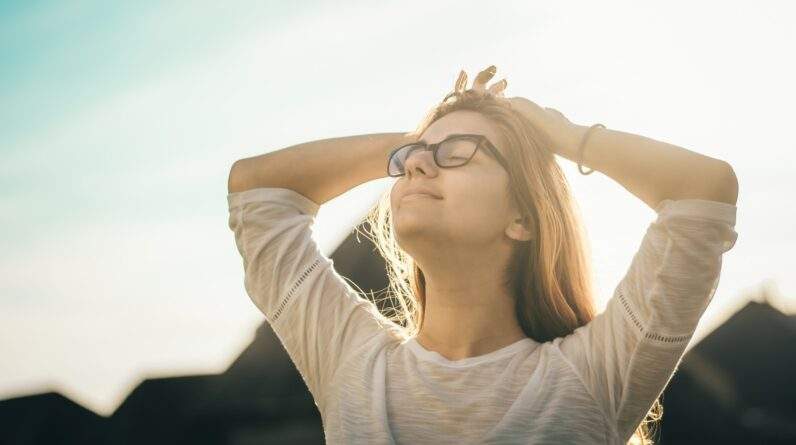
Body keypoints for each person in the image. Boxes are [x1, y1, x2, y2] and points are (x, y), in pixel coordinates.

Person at [227, 65, 738, 444]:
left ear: (523, 219)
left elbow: (704, 190)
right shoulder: (351, 361)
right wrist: (420, 137)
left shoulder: (592, 374)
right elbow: (257, 188)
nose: (420, 167)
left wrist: (565, 137)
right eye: (410, 162)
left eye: (457, 154)